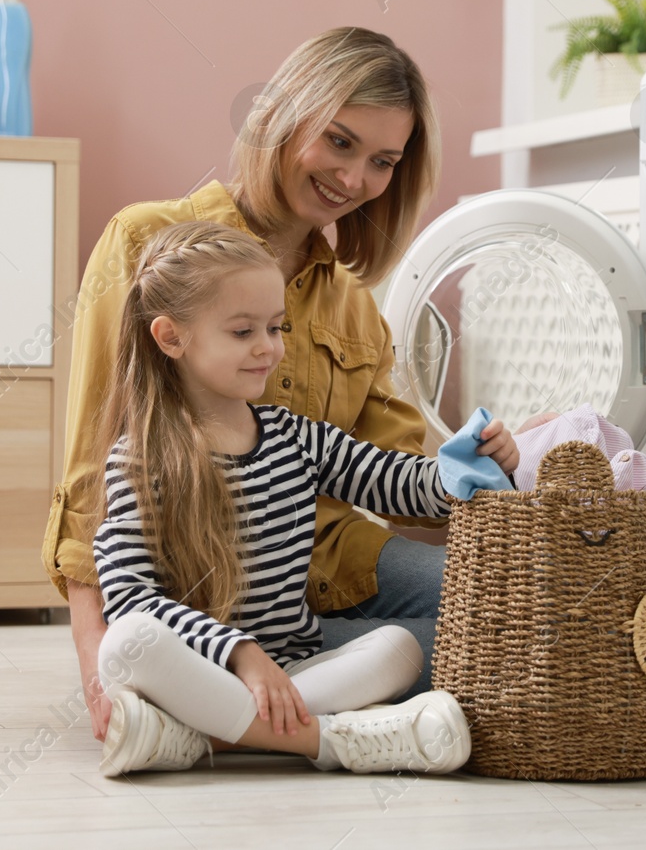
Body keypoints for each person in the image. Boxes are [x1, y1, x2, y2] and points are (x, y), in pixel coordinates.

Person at [42, 27, 519, 739]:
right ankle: (307, 720)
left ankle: (257, 716)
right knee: (476, 642)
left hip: (329, 566)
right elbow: (91, 469)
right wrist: (98, 670)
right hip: (193, 583)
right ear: (282, 118)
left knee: (517, 613)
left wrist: (485, 466)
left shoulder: (356, 304)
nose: (354, 180)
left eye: (383, 161)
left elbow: (394, 479)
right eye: (339, 141)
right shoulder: (148, 243)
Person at [93, 221, 519, 775]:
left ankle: (198, 738)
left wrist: (465, 466)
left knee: (399, 648)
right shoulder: (140, 458)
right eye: (243, 331)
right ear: (171, 337)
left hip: (296, 668)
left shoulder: (295, 437)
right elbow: (129, 598)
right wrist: (239, 654)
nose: (268, 348)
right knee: (125, 643)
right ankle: (333, 741)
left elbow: (394, 481)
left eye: (275, 327)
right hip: (198, 668)